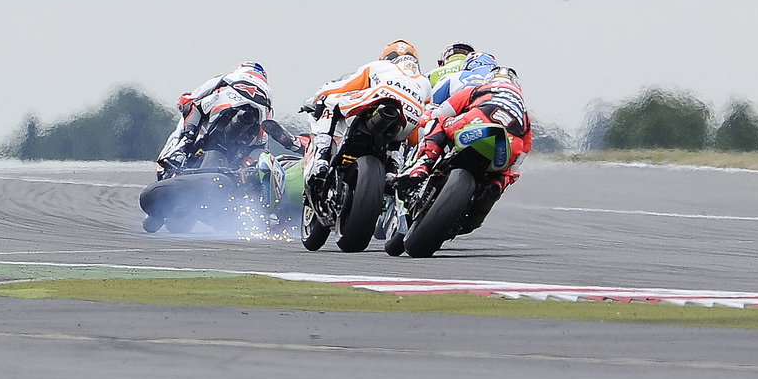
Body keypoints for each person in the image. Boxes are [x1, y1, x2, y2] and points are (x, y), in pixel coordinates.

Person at [395, 61, 531, 231]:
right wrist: (504, 179)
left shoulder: (480, 90)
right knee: (503, 174)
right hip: (511, 139)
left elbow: (439, 113)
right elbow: (524, 151)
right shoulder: (524, 110)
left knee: (438, 122)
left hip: (479, 118)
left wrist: (425, 118)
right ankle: (489, 194)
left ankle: (423, 164)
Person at [301, 41, 432, 188]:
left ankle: (322, 158)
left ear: (387, 56)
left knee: (330, 102)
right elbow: (420, 128)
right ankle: (392, 170)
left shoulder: (380, 66)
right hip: (411, 116)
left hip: (380, 99)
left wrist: (317, 98)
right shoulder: (425, 82)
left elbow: (343, 86)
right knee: (403, 138)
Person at [156, 62, 302, 177]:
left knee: (193, 108)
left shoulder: (226, 77)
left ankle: (180, 150)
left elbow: (190, 99)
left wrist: (183, 101)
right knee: (258, 147)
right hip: (260, 112)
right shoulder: (267, 90)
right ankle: (250, 170)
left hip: (225, 103)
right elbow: (267, 123)